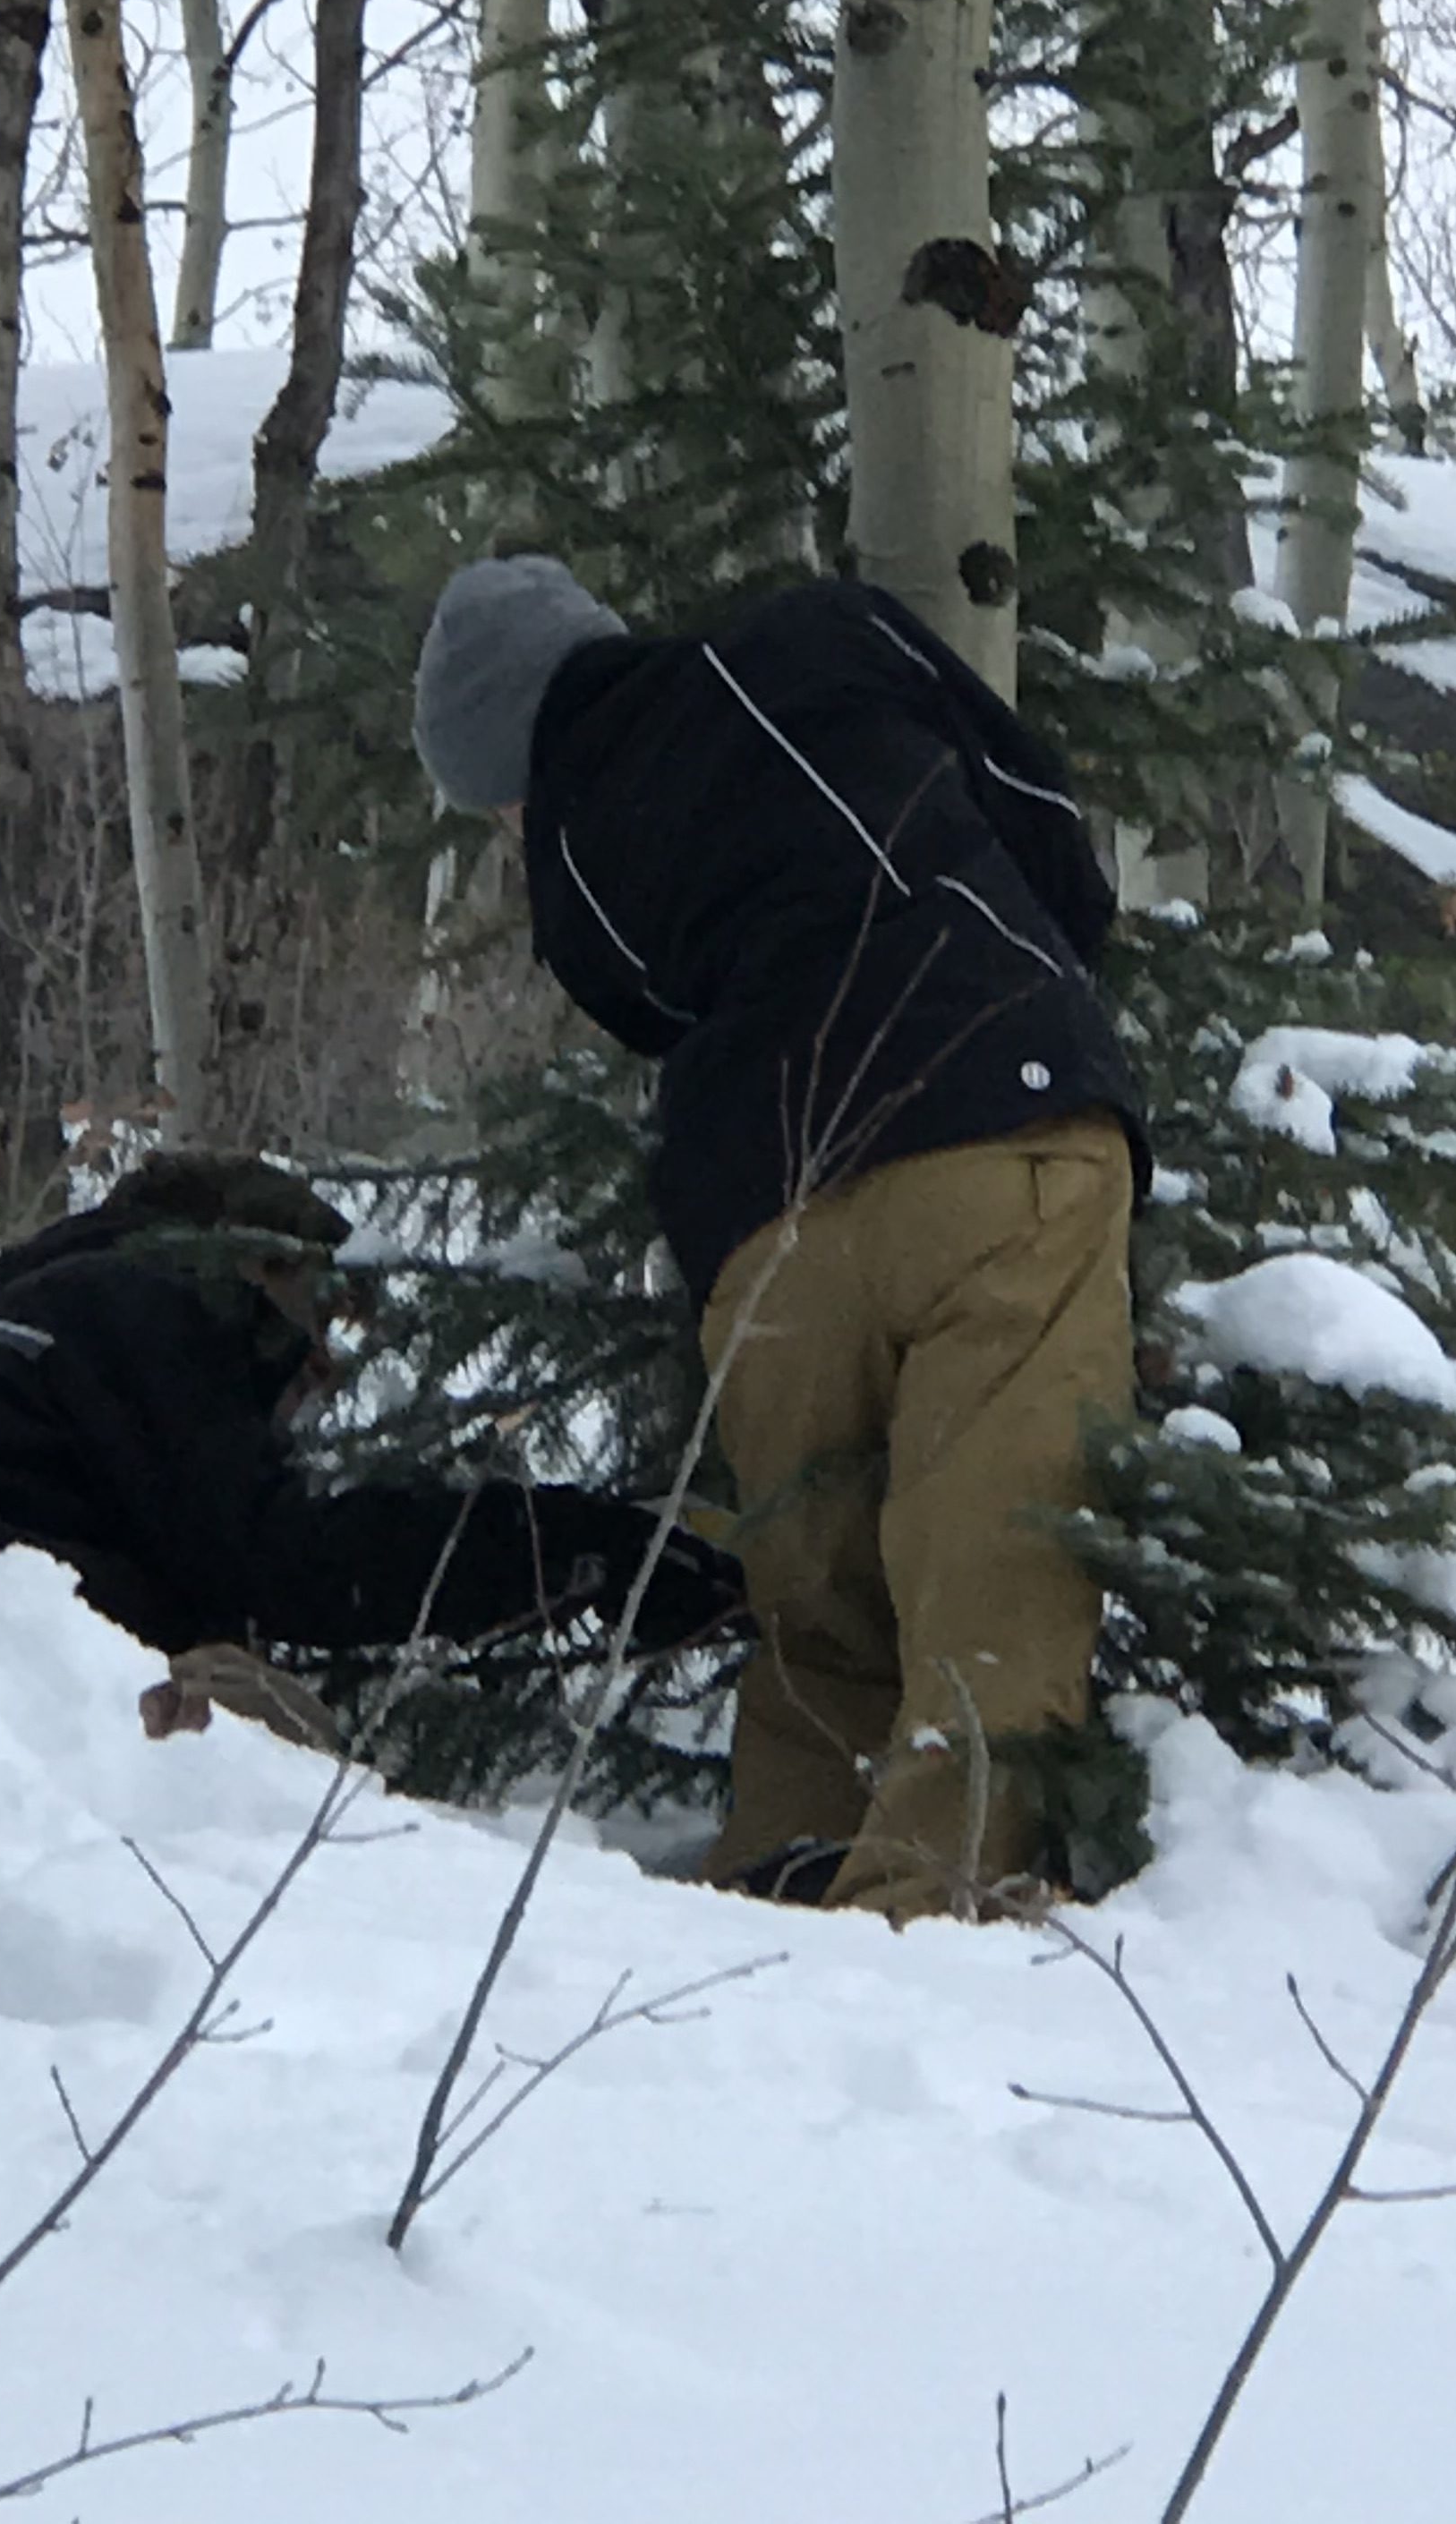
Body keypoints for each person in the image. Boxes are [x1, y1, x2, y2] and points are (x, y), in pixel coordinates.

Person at [413, 556, 1148, 1922]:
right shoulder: (820, 637)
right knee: (997, 1558)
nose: (517, 825)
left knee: (818, 1607)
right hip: (1001, 1124)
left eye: (502, 799)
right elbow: (1035, 805)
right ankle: (933, 1914)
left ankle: (768, 1910)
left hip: (766, 1219)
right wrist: (1042, 966)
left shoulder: (575, 880)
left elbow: (662, 1016)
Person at [0, 1149, 741, 1743]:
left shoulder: (27, 1334)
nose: (326, 1367)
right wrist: (572, 1548)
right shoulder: (167, 1302)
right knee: (264, 1744)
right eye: (319, 1313)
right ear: (251, 1264)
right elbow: (281, 1563)